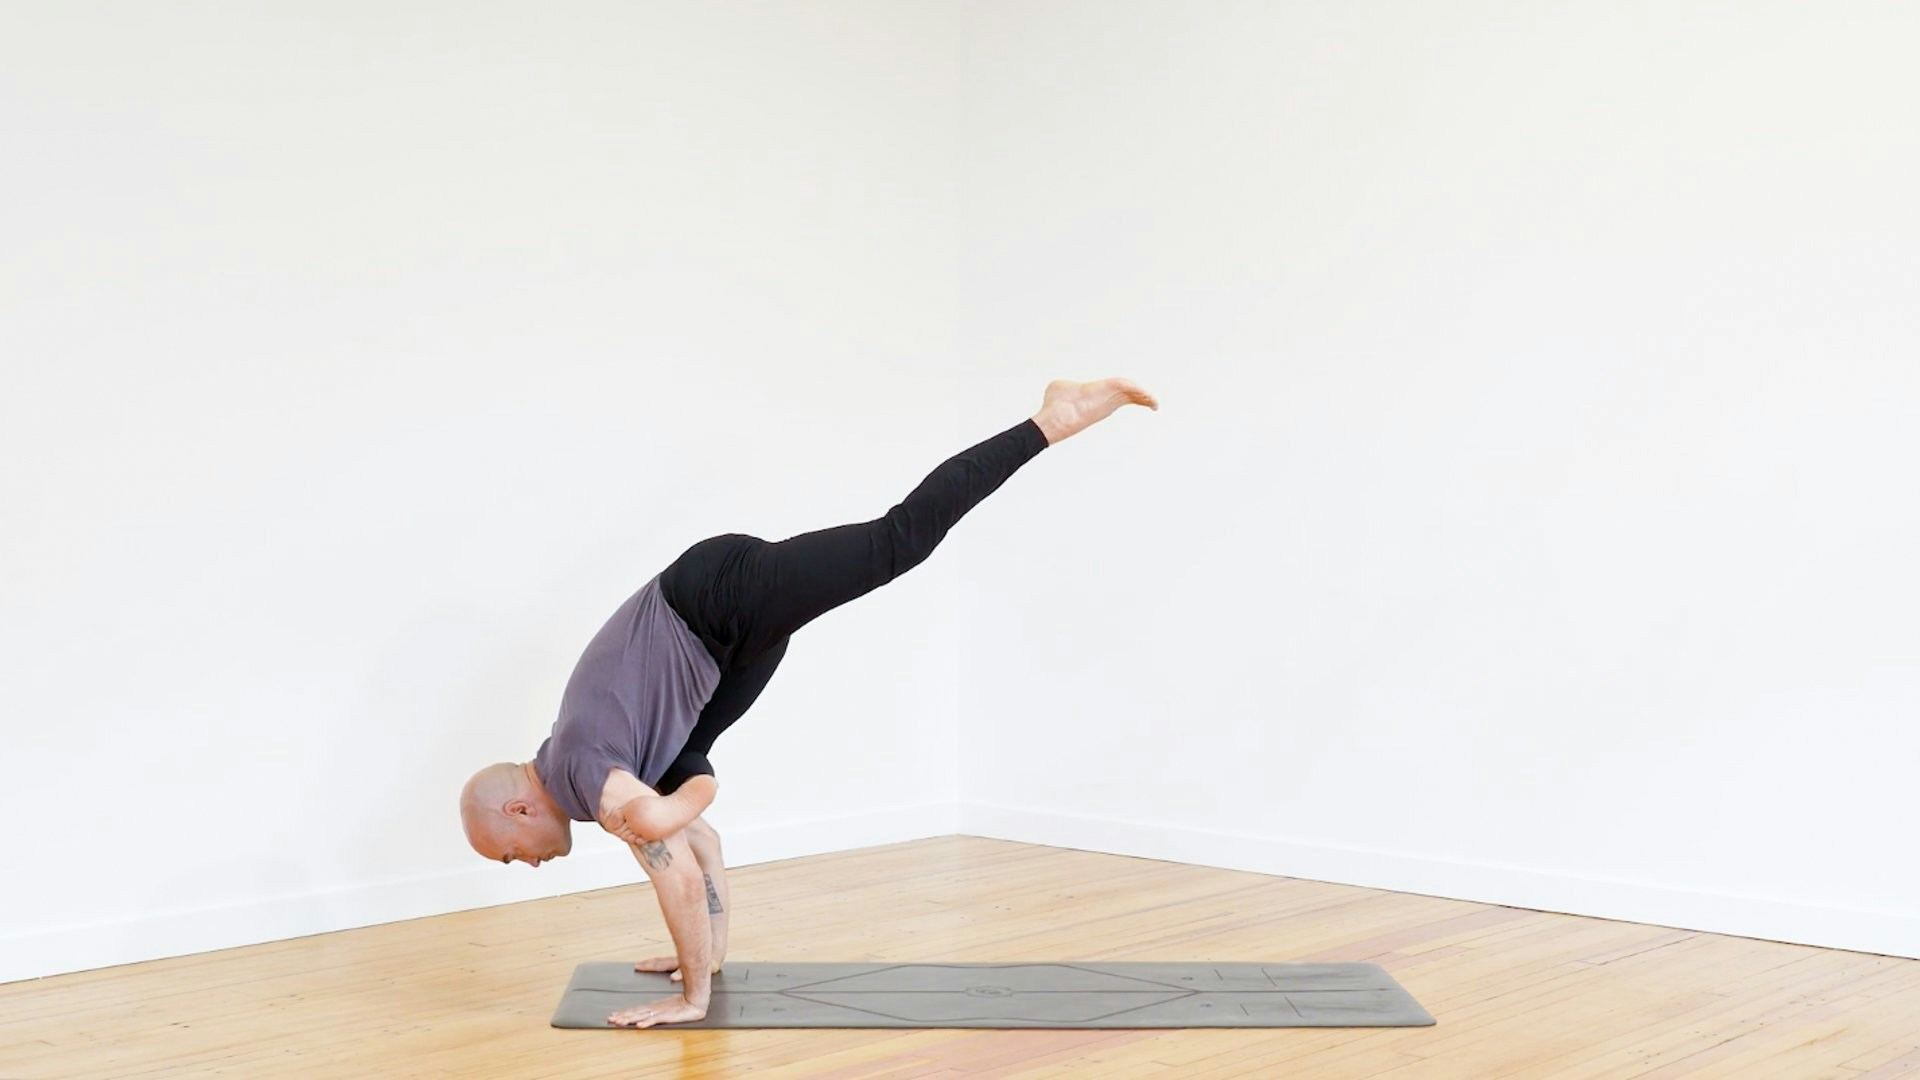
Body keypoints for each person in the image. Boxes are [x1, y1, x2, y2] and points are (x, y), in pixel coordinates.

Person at [459, 377, 1158, 1028]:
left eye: (509, 856)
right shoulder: (579, 765)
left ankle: (1054, 416)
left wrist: (692, 1001)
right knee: (682, 781)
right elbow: (702, 846)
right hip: (724, 647)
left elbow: (673, 865)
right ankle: (703, 897)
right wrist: (706, 958)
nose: (525, 864)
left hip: (716, 599)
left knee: (897, 542)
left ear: (519, 810)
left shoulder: (585, 773)